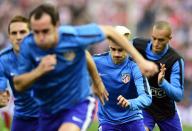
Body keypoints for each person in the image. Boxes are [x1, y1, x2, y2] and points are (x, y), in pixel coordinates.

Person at [13, 4, 158, 131]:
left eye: (45, 31)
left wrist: (141, 61)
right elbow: (18, 84)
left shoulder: (72, 37)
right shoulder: (28, 45)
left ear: (56, 26)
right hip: (48, 110)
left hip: (77, 104)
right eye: (36, 32)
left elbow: (109, 32)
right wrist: (39, 71)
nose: (40, 38)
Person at [93, 26, 152, 131]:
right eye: (113, 49)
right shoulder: (97, 61)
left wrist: (130, 103)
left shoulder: (135, 66)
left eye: (120, 50)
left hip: (132, 119)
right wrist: (93, 83)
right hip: (108, 121)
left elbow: (147, 97)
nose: (116, 54)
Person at [132, 21, 184, 131]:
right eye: (154, 38)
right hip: (145, 108)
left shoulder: (175, 60)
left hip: (166, 112)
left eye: (161, 40)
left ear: (169, 39)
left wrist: (162, 83)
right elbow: (120, 48)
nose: (156, 43)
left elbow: (178, 95)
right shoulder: (138, 45)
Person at [0, 15, 39, 131]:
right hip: (22, 117)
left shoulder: (44, 53)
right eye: (14, 33)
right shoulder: (3, 60)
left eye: (22, 32)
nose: (18, 37)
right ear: (9, 37)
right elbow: (1, 87)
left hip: (46, 117)